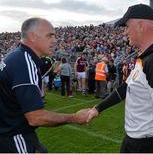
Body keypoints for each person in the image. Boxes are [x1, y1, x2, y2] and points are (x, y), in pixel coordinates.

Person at [87, 4, 153, 153]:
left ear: (141, 25)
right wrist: (98, 108)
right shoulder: (145, 57)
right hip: (132, 140)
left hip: (144, 145)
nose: (125, 32)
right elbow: (126, 89)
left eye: (127, 26)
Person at [0, 17, 90, 153]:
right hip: (15, 136)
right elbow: (35, 117)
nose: (55, 40)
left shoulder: (16, 55)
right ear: (32, 36)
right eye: (50, 36)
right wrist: (74, 117)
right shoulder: (25, 62)